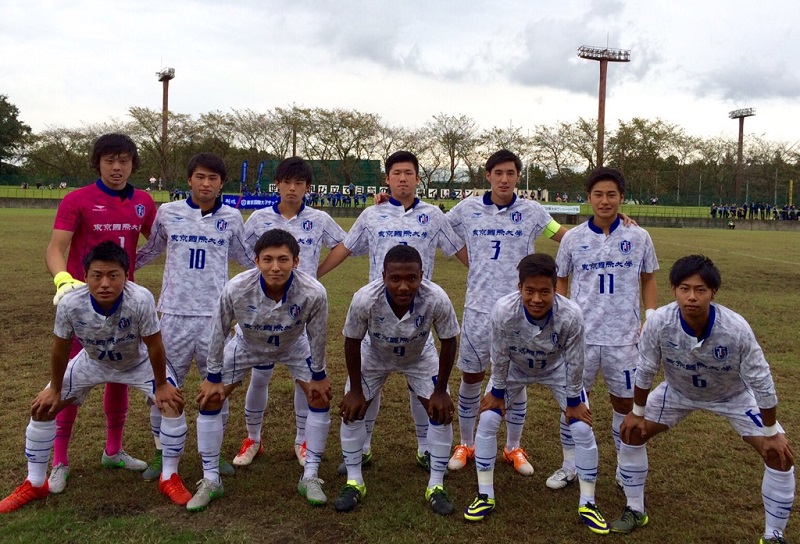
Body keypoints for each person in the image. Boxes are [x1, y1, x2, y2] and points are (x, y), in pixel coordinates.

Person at [611, 255, 795, 543]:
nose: (692, 297)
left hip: (732, 395)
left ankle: (773, 535)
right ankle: (635, 509)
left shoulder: (735, 328)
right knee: (632, 433)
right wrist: (636, 411)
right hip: (678, 391)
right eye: (685, 289)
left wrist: (771, 432)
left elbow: (762, 381)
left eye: (700, 290)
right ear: (673, 290)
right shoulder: (660, 321)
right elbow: (646, 368)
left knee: (778, 455)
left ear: (713, 293)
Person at [0, 242, 188, 513]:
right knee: (42, 408)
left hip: (136, 363)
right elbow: (61, 347)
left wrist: (161, 385)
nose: (105, 284)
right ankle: (35, 481)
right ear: (85, 276)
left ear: (126, 275)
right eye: (97, 275)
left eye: (113, 275)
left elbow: (155, 345)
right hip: (92, 362)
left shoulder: (141, 299)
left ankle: (169, 476)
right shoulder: (70, 303)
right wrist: (54, 388)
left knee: (172, 404)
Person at [318, 150, 463, 473]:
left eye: (409, 173)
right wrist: (313, 275)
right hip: (376, 316)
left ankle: (426, 449)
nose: (402, 178)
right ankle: (362, 448)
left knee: (420, 384)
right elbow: (346, 247)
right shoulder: (373, 215)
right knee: (368, 386)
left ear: (417, 177)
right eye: (396, 173)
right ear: (387, 178)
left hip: (418, 315)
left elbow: (459, 250)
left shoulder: (434, 216)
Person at [464, 254, 609, 535]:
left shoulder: (571, 314)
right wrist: (496, 391)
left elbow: (576, 360)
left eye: (545, 291)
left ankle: (588, 502)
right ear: (519, 288)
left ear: (556, 289)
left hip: (557, 368)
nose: (537, 299)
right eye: (529, 291)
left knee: (581, 428)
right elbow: (499, 353)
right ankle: (484, 495)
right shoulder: (503, 310)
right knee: (489, 421)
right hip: (515, 368)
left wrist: (573, 401)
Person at [44, 133, 157, 494]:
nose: (117, 167)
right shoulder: (77, 199)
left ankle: (114, 450)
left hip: (126, 306)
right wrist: (63, 280)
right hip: (86, 305)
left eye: (124, 160)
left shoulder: (142, 202)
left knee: (118, 374)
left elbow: (158, 241)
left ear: (133, 165)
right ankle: (60, 460)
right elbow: (56, 247)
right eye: (109, 160)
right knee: (71, 382)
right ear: (98, 163)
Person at [190, 229, 332, 511]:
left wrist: (318, 374)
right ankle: (210, 479)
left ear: (296, 261)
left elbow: (318, 336)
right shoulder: (237, 287)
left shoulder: (313, 291)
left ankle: (311, 476)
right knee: (210, 399)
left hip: (293, 345)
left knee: (319, 397)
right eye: (268, 259)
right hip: (247, 345)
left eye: (283, 259)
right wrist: (213, 376)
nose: (275, 267)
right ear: (256, 261)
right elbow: (218, 329)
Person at [446, 149, 567, 476]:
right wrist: (387, 203)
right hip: (478, 309)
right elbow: (434, 227)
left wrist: (614, 225)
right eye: (498, 172)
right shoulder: (467, 209)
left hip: (521, 311)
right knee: (471, 377)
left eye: (510, 173)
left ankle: (513, 447)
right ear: (488, 175)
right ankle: (466, 444)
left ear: (517, 176)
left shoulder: (533, 211)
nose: (504, 179)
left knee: (518, 379)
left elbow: (564, 237)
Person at [135, 153, 253, 481]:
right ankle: (162, 453)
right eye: (200, 177)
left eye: (213, 178)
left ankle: (211, 454)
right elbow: (151, 250)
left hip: (215, 317)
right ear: (189, 179)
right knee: (161, 386)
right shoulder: (169, 213)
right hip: (171, 314)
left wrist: (277, 279)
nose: (206, 184)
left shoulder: (231, 217)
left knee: (217, 386)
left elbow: (245, 258)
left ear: (221, 183)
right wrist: (116, 271)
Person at [549, 167, 658, 490]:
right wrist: (560, 316)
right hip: (580, 338)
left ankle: (625, 468)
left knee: (625, 404)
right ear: (588, 199)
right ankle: (570, 465)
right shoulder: (573, 238)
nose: (605, 200)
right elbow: (561, 279)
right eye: (598, 194)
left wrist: (650, 315)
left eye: (612, 195)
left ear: (621, 198)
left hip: (624, 338)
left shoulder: (638, 236)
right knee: (573, 401)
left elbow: (649, 276)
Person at [238, 156, 346, 468]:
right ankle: (253, 438)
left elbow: (343, 244)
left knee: (306, 377)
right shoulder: (258, 218)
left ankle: (302, 440)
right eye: (287, 182)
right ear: (278, 184)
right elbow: (244, 251)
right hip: (265, 310)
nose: (292, 188)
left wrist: (317, 273)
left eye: (299, 183)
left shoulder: (319, 218)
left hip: (303, 310)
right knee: (260, 376)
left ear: (307, 187)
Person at [335, 245, 459, 515]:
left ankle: (435, 485)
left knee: (440, 412)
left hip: (419, 355)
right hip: (374, 353)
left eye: (411, 278)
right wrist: (355, 389)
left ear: (421, 275)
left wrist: (440, 390)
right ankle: (354, 481)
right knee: (353, 410)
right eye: (395, 279)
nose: (404, 286)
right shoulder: (365, 298)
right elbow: (352, 341)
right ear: (384, 276)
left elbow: (449, 342)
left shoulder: (436, 297)